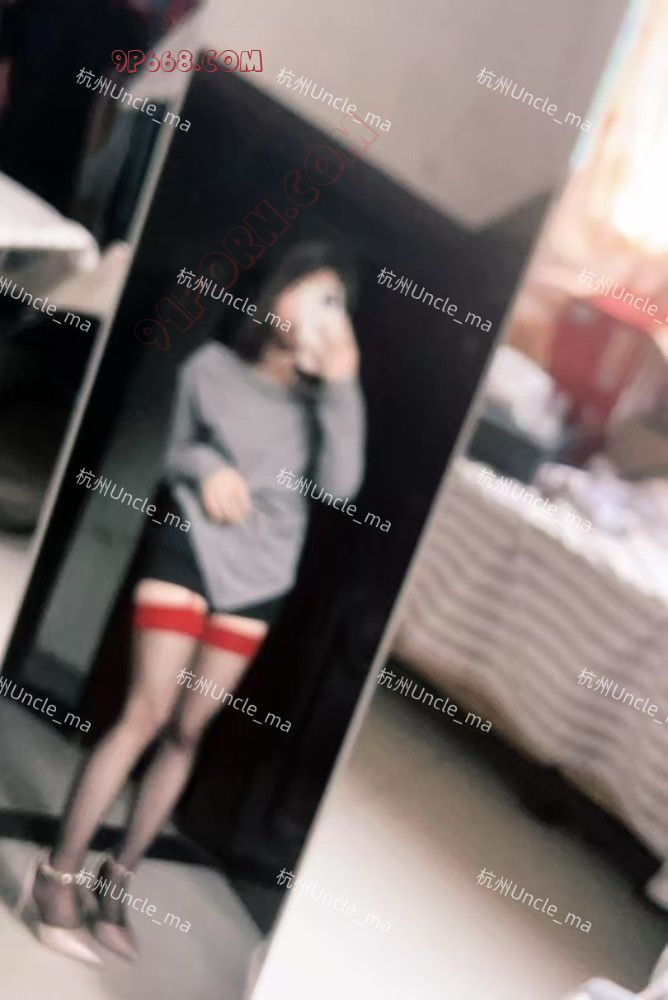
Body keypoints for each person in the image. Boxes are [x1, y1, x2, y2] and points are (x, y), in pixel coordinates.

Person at [16, 241, 366, 965]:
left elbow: (341, 486)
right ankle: (55, 879)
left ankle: (117, 882)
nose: (317, 310)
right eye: (308, 290)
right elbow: (178, 451)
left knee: (187, 732)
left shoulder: (321, 406)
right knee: (145, 712)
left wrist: (344, 386)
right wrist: (208, 468)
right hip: (189, 546)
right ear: (276, 294)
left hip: (262, 575)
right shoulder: (210, 369)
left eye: (334, 301)